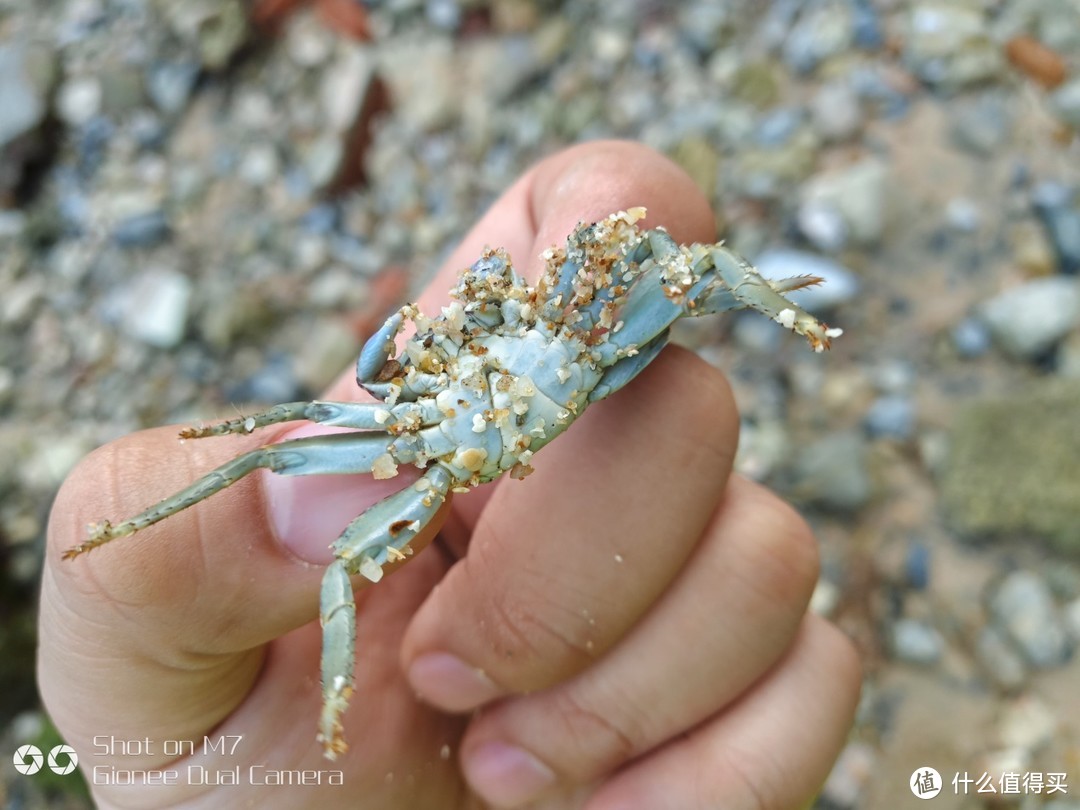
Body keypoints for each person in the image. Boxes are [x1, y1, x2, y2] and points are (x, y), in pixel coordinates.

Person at [39, 141, 861, 809]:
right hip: (442, 457)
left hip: (580, 363)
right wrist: (151, 511)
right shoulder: (411, 424)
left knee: (666, 253)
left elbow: (668, 259)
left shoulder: (557, 317)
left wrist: (777, 306)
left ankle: (793, 308)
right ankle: (328, 694)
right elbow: (287, 434)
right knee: (303, 518)